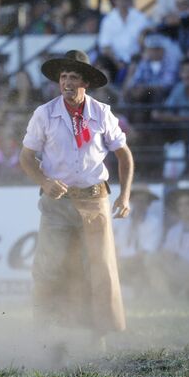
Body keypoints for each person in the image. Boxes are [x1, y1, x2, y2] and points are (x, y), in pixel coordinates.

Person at [19, 49, 134, 358]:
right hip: (57, 202)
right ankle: (46, 332)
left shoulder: (102, 113)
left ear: (86, 82)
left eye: (73, 77)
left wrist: (124, 196)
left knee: (99, 268)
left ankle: (98, 336)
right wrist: (44, 181)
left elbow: (124, 155)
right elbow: (26, 158)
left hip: (96, 199)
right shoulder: (44, 113)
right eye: (62, 77)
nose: (66, 82)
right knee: (50, 266)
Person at [113, 185, 164, 297]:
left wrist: (124, 262)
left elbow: (147, 250)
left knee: (150, 261)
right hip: (119, 262)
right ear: (131, 201)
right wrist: (115, 261)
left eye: (143, 201)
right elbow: (113, 245)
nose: (139, 204)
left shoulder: (154, 223)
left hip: (139, 263)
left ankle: (159, 295)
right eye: (136, 200)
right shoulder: (120, 221)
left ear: (148, 204)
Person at [151, 185, 189, 297]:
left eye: (187, 204)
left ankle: (185, 293)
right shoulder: (174, 231)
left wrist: (178, 257)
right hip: (178, 270)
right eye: (180, 205)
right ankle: (168, 297)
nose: (184, 208)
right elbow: (167, 252)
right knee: (152, 259)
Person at [98, 0, 150, 69]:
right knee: (101, 65)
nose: (123, 2)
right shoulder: (108, 20)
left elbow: (147, 39)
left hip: (136, 59)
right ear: (116, 0)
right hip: (114, 61)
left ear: (130, 0)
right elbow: (105, 46)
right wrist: (117, 62)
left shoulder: (140, 18)